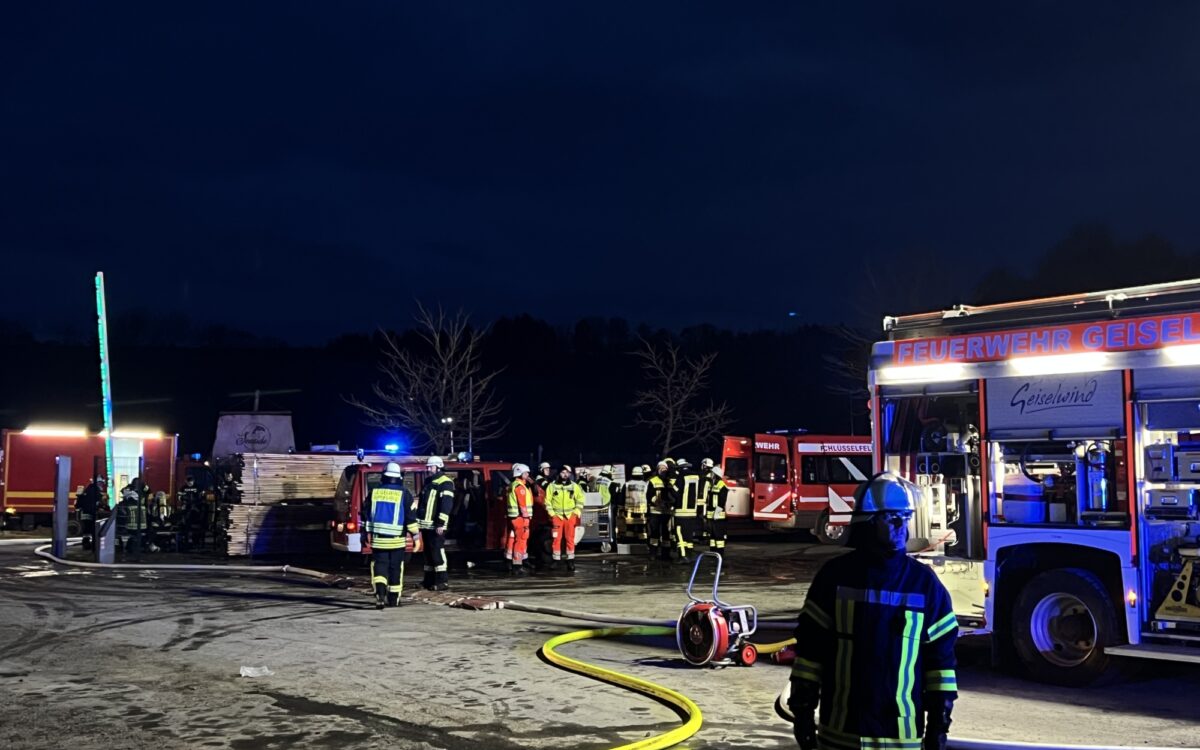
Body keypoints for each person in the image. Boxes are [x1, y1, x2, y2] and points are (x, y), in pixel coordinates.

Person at [786, 472, 958, 750]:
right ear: (867, 523)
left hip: (901, 738)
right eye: (891, 517)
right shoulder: (835, 577)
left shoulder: (925, 585)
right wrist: (803, 711)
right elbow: (810, 652)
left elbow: (941, 663)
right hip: (840, 735)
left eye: (905, 515)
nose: (902, 523)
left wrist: (939, 723)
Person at [362, 462, 420, 609]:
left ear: (384, 476)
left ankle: (380, 595)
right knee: (396, 568)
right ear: (399, 477)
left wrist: (364, 533)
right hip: (397, 540)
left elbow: (365, 515)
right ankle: (394, 600)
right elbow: (410, 518)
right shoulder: (404, 493)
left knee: (380, 567)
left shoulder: (374, 492)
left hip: (378, 540)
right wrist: (416, 537)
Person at [418, 456, 456, 591]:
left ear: (438, 466)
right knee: (428, 553)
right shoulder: (429, 481)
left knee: (437, 552)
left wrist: (440, 523)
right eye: (427, 466)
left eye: (430, 466)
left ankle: (442, 581)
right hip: (426, 524)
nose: (428, 469)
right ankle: (428, 580)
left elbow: (446, 504)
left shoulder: (446, 482)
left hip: (437, 525)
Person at [545, 465, 585, 571]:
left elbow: (580, 499)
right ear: (559, 474)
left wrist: (576, 512)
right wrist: (552, 514)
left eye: (567, 472)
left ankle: (570, 561)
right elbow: (547, 501)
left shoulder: (574, 486)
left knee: (570, 539)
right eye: (563, 472)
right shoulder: (552, 486)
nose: (565, 474)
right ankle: (555, 560)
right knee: (556, 539)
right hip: (557, 517)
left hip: (570, 516)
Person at [505, 463, 533, 575]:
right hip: (521, 517)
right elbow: (522, 505)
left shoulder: (514, 485)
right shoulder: (520, 487)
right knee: (520, 540)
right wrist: (526, 516)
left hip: (514, 517)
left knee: (513, 539)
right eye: (526, 473)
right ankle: (518, 565)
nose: (527, 475)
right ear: (520, 473)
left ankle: (510, 562)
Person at [672, 459, 702, 563]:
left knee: (680, 535)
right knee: (689, 536)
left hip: (681, 512)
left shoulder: (681, 477)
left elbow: (674, 492)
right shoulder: (696, 477)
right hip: (692, 512)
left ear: (679, 469)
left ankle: (683, 556)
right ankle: (690, 555)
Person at [646, 461, 670, 560]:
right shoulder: (652, 481)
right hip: (655, 511)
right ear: (657, 469)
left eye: (664, 468)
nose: (662, 469)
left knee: (666, 534)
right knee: (654, 534)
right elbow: (648, 495)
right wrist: (657, 502)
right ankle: (653, 553)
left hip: (666, 512)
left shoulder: (669, 480)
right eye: (660, 467)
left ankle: (666, 555)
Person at [76, 477, 106, 551]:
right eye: (101, 483)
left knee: (86, 530)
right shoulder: (95, 490)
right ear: (98, 483)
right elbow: (99, 502)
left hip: (85, 513)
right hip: (91, 513)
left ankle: (86, 544)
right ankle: (92, 545)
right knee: (92, 529)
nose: (102, 485)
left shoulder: (88, 489)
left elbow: (79, 503)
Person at [116, 487, 147, 558]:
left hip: (128, 529)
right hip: (141, 529)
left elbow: (121, 519)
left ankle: (126, 548)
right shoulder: (141, 506)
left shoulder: (124, 505)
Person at [706, 466, 729, 553]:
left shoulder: (722, 485)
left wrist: (717, 512)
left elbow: (722, 501)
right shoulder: (714, 484)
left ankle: (719, 552)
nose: (711, 475)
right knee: (712, 535)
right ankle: (713, 551)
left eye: (712, 473)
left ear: (715, 475)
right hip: (712, 515)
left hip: (718, 516)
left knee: (718, 535)